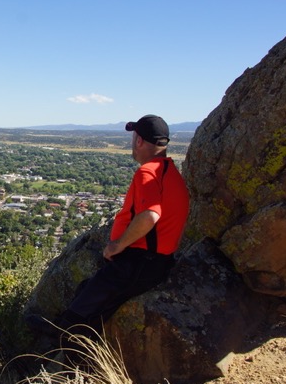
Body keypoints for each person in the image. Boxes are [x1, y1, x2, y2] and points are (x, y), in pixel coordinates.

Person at [28, 114, 190, 338]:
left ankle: (60, 341)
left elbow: (150, 215)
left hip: (139, 261)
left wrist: (117, 245)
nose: (132, 143)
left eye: (134, 137)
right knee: (88, 291)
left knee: (82, 313)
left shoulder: (148, 172)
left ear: (140, 141)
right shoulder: (171, 173)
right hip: (156, 260)